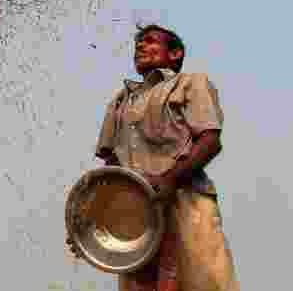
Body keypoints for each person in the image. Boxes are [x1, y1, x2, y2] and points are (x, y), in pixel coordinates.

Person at [68, 24, 240, 291]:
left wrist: (171, 179)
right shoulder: (121, 100)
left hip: (186, 200)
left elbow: (210, 140)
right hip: (136, 214)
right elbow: (112, 168)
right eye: (138, 43)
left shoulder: (189, 83)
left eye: (149, 41)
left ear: (175, 53)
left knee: (204, 283)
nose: (140, 46)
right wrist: (89, 223)